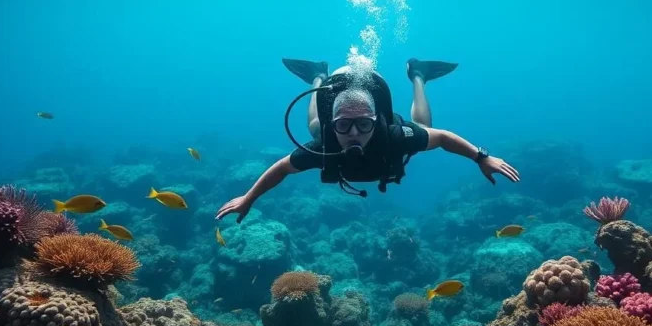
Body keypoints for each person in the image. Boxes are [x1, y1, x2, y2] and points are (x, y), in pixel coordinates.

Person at [215, 57, 520, 222]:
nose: (354, 133)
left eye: (363, 124)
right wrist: (248, 198)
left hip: (388, 119)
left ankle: (418, 74)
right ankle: (318, 77)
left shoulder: (395, 136)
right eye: (344, 125)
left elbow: (440, 138)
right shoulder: (325, 145)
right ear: (334, 124)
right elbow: (281, 167)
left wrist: (482, 156)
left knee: (424, 125)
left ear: (376, 121)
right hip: (327, 118)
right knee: (313, 126)